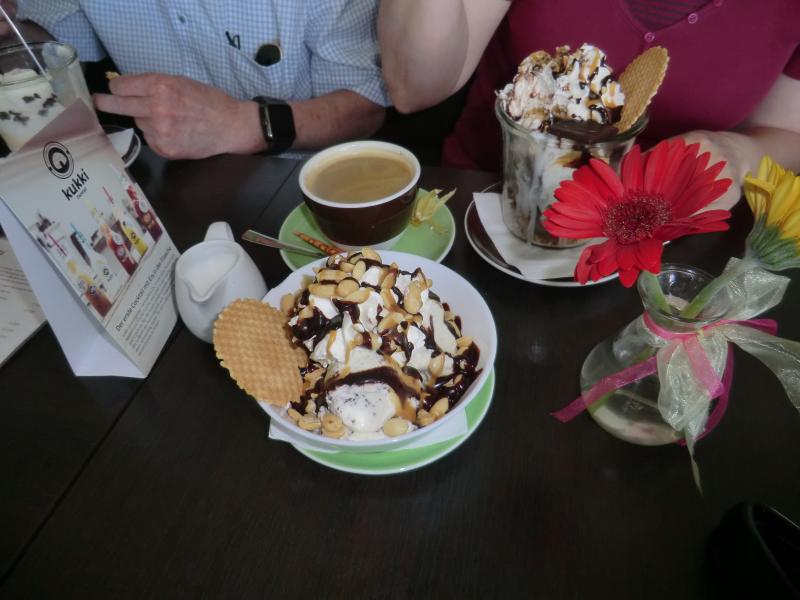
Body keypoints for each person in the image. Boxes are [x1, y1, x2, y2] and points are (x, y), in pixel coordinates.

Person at [378, 0, 800, 208]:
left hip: (670, 239)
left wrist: (738, 153)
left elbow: (786, 131)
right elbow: (412, 89)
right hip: (490, 200)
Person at [0, 0, 388, 159]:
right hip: (167, 184)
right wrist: (10, 30)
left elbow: (365, 106)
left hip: (297, 183)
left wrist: (245, 124)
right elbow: (51, 45)